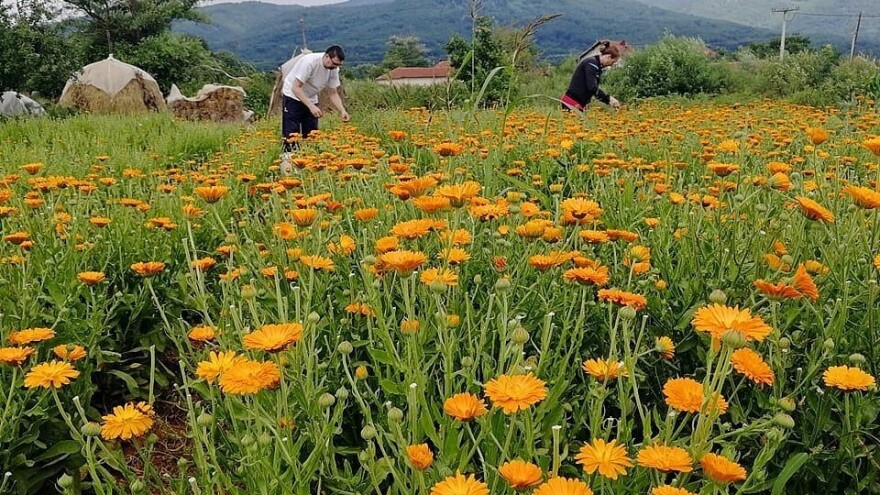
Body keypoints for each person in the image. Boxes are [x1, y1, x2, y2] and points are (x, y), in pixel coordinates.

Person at [280, 45, 351, 174]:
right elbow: (296, 88)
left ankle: (310, 169)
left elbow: (333, 93)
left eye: (337, 65)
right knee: (291, 135)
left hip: (311, 97)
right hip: (293, 96)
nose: (334, 67)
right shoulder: (310, 62)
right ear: (326, 56)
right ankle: (288, 172)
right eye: (333, 64)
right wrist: (311, 106)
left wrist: (342, 110)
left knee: (312, 134)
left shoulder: (333, 69)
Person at [561, 42, 621, 113]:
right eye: (613, 62)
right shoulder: (591, 64)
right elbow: (592, 88)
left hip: (578, 104)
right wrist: (609, 99)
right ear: (608, 57)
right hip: (571, 102)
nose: (611, 65)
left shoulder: (596, 65)